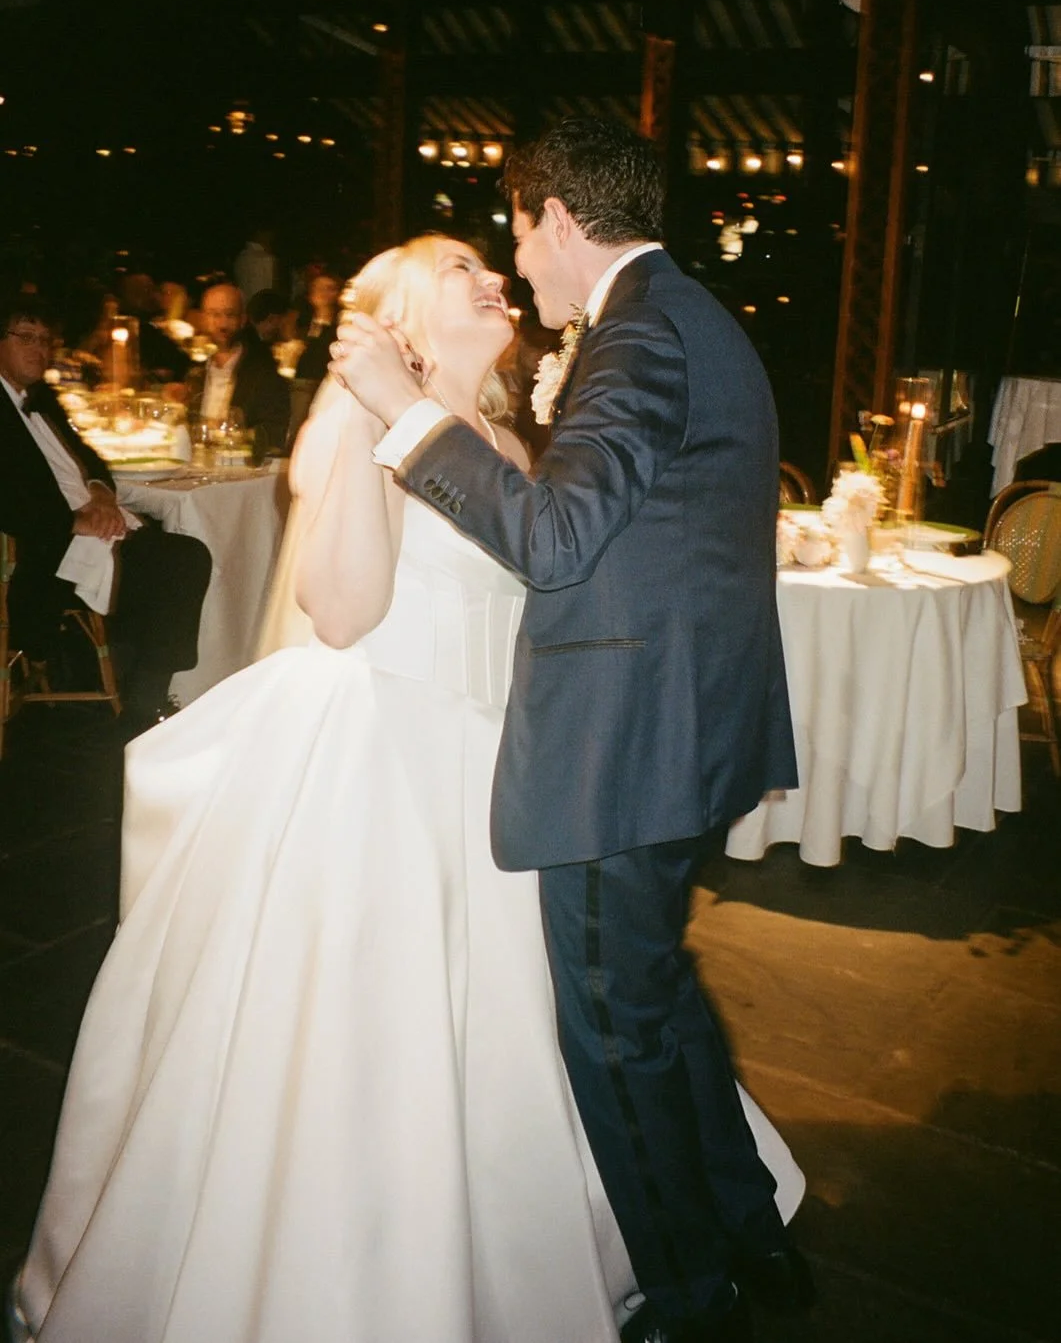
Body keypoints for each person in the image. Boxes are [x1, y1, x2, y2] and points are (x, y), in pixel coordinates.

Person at [9, 237, 803, 1343]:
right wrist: (364, 423)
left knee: (552, 1020)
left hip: (501, 758)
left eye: (494, 259)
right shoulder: (362, 418)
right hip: (390, 758)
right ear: (401, 319)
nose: (490, 274)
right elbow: (338, 614)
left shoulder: (508, 432)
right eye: (455, 266)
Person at [329, 119, 805, 1343]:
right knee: (658, 1002)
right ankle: (749, 1229)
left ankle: (695, 1300)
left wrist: (401, 411)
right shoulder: (682, 314)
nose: (513, 262)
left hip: (622, 749)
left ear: (554, 216)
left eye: (517, 229)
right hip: (676, 730)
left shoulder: (639, 330)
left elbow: (552, 542)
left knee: (617, 1034)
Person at [0, 295, 211, 728]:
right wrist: (72, 521)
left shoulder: (42, 398)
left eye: (46, 340)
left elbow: (91, 459)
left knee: (178, 554)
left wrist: (98, 491)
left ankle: (145, 690)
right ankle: (143, 702)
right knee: (177, 559)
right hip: (39, 553)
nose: (39, 349)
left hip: (86, 528)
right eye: (26, 337)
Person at [184, 281, 290, 453]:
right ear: (203, 318)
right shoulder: (193, 368)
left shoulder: (263, 371)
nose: (222, 324)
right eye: (214, 314)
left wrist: (234, 433)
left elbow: (273, 432)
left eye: (229, 314)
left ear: (242, 320)